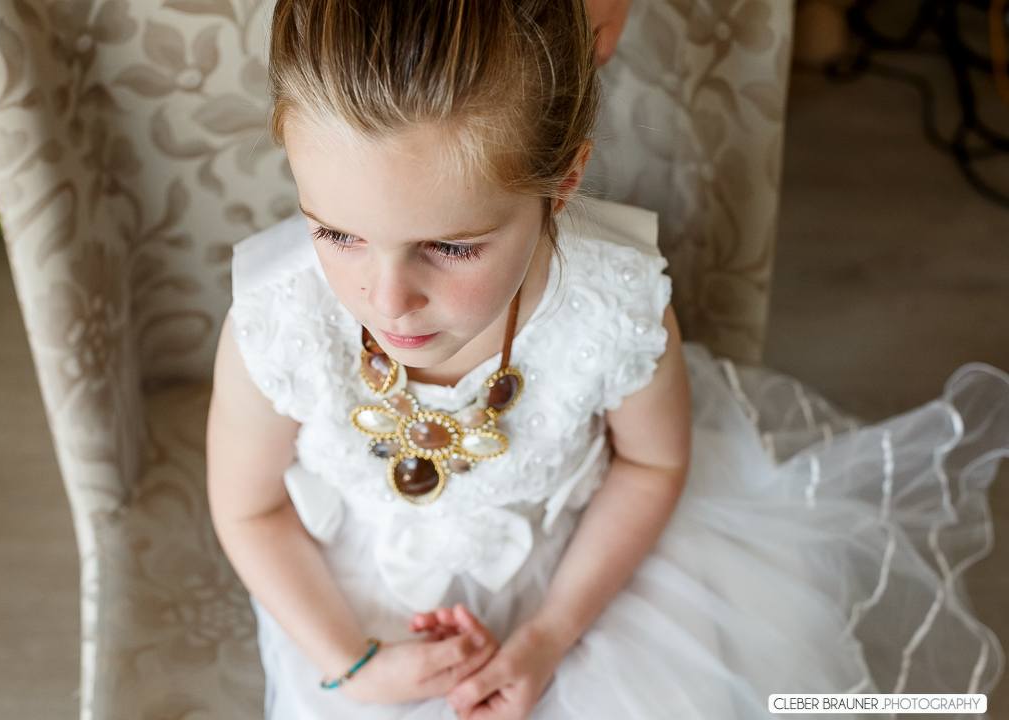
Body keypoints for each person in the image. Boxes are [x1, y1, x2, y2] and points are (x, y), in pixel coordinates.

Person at [206, 1, 1008, 718]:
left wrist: (552, 634)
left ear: (563, 182)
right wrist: (354, 664)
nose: (385, 300)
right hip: (353, 608)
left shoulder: (613, 305)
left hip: (590, 572)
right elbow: (249, 510)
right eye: (336, 233)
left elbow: (653, 466)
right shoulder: (279, 324)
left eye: (450, 246)